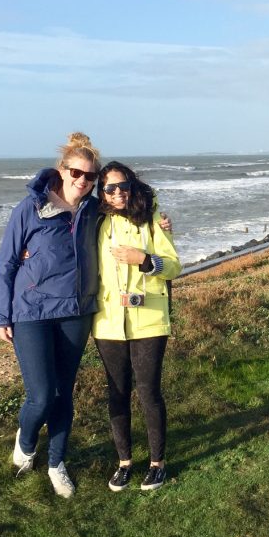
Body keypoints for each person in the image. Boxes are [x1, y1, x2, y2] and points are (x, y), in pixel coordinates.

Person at [0, 132, 102, 498]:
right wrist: (1, 315)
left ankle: (57, 463)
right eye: (76, 173)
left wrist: (159, 223)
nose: (82, 181)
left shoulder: (94, 212)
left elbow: (130, 217)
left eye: (90, 177)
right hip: (32, 314)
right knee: (40, 395)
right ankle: (25, 444)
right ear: (62, 169)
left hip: (75, 313)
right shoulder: (31, 208)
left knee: (63, 394)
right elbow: (6, 263)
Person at [93, 161, 181, 492]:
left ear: (132, 185)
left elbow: (174, 266)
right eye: (110, 188)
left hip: (150, 320)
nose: (118, 193)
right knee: (117, 392)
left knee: (148, 391)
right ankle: (124, 462)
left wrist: (143, 260)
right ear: (102, 192)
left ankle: (157, 463)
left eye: (123, 185)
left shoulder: (154, 218)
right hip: (107, 322)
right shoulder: (96, 221)